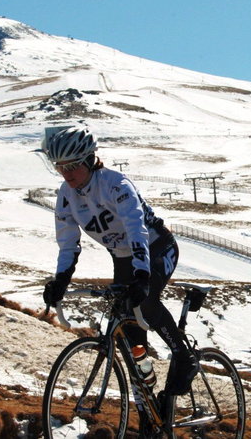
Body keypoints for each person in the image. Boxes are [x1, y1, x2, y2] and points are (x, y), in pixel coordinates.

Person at [40, 126, 198, 395]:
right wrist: (60, 280)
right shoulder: (65, 195)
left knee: (145, 302)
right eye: (59, 167)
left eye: (73, 166)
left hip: (156, 248)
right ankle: (148, 397)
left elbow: (137, 230)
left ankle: (183, 356)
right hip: (122, 258)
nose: (66, 174)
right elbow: (67, 243)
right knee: (131, 334)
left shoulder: (116, 185)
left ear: (90, 160)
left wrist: (141, 277)